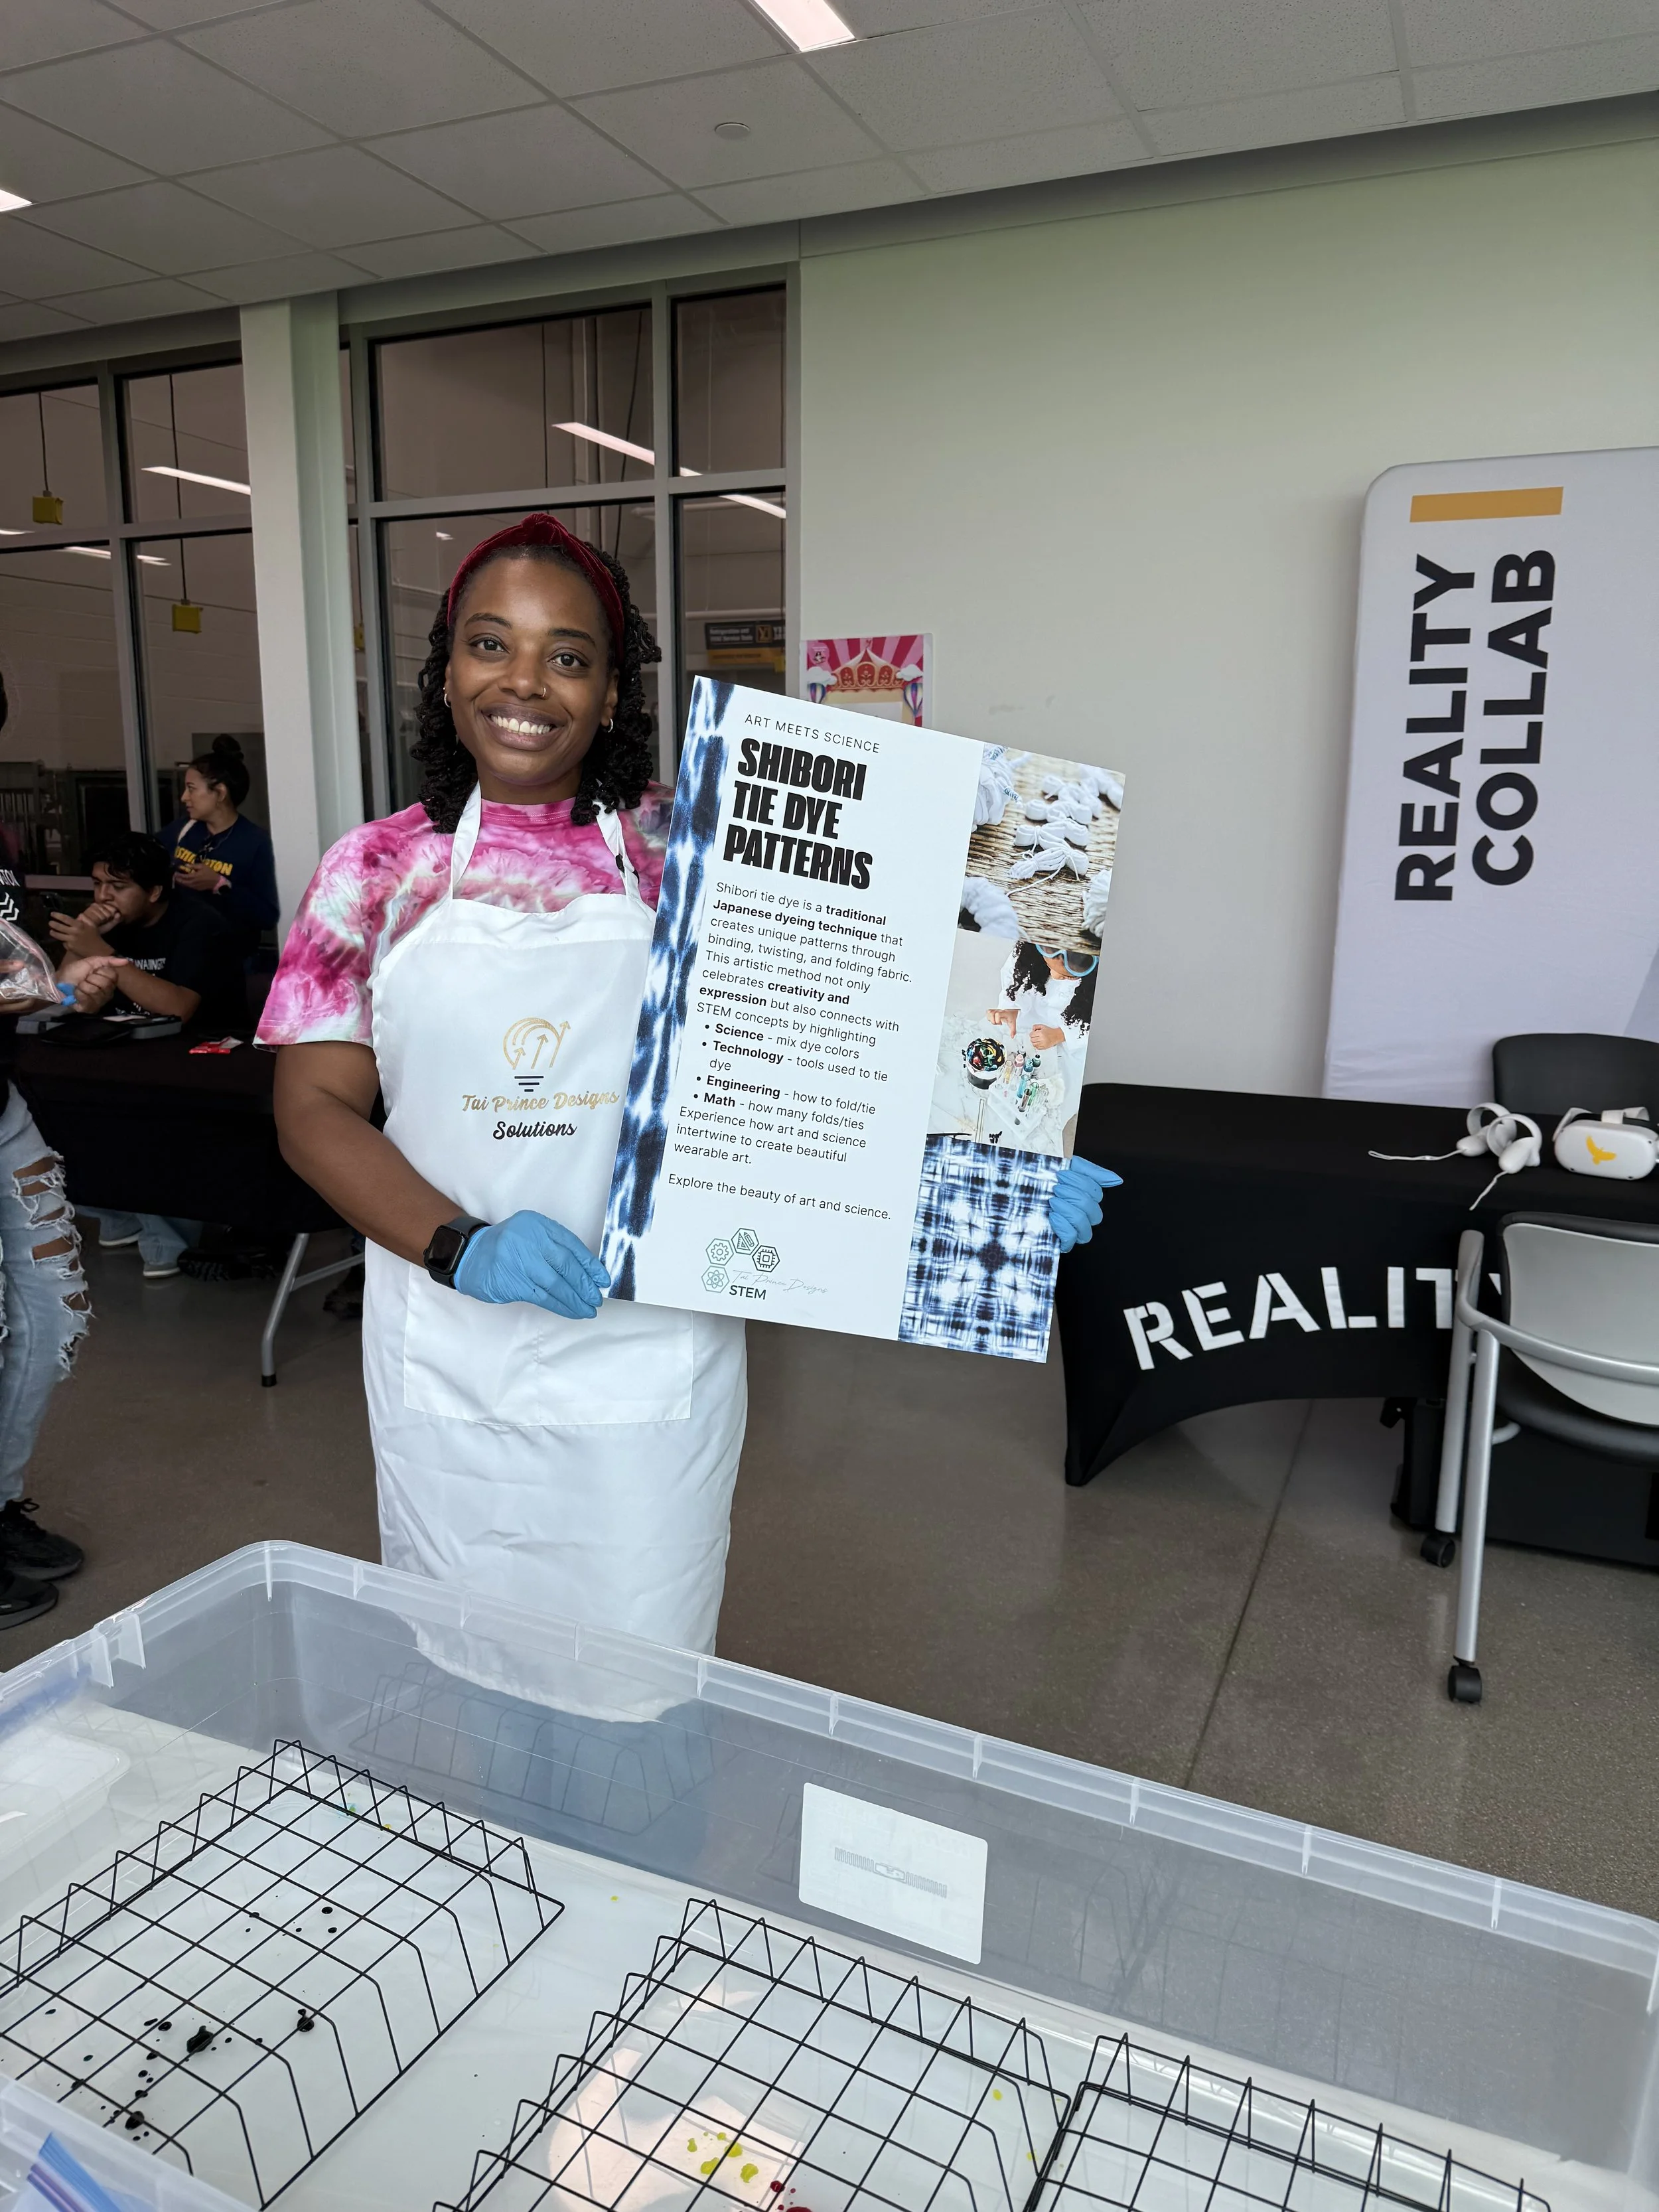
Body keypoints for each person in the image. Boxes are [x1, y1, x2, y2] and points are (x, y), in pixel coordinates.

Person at [263, 513, 1116, 1664]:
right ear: (447, 670)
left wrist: (985, 1169)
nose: (526, 682)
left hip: (649, 1356)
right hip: (449, 1343)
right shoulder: (373, 870)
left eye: (568, 655)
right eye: (489, 644)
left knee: (641, 1690)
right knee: (468, 1678)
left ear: (613, 692)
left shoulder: (699, 847)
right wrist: (460, 1243)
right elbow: (312, 1106)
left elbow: (830, 1054)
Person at [0, 674, 89, 1625]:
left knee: (51, 1312)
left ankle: (0, 1499)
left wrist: (66, 976)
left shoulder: (4, 839)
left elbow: (11, 960)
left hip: (4, 1104)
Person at [51, 833, 240, 1278]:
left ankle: (167, 1238)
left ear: (154, 891)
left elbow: (179, 1007)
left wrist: (103, 953)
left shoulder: (199, 923)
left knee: (150, 1128)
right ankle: (119, 1216)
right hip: (127, 1049)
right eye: (98, 884)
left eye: (117, 888)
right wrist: (80, 945)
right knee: (70, 1105)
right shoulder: (108, 927)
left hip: (200, 1055)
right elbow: (59, 995)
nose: (103, 898)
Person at [163, 737, 278, 962]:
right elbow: (148, 863)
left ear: (220, 793)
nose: (184, 797)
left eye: (192, 789)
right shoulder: (184, 829)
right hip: (181, 948)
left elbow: (267, 916)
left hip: (230, 959)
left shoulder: (256, 842)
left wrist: (220, 885)